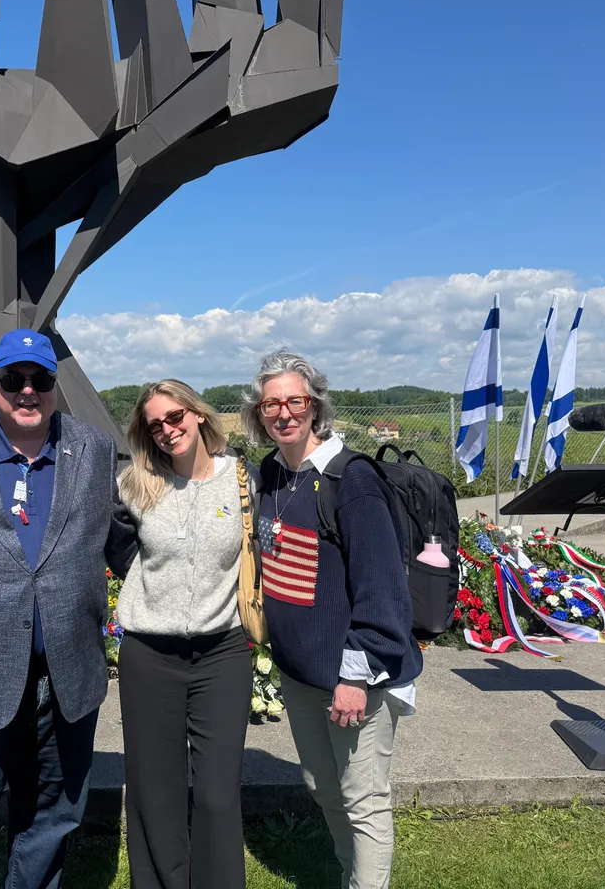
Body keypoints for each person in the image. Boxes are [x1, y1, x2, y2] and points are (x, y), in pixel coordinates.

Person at [0, 329, 137, 889]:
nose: (28, 391)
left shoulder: (92, 451)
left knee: (50, 824)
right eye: (15, 379)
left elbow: (125, 542)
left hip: (65, 682)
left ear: (55, 386)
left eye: (40, 380)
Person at [240, 350, 421, 889]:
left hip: (353, 677)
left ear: (315, 405)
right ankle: (350, 877)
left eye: (294, 400)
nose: (283, 413)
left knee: (363, 797)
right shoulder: (273, 475)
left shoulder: (351, 479)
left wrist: (354, 677)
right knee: (323, 784)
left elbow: (382, 591)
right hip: (300, 673)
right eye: (271, 404)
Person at [114, 380, 255, 889]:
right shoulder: (134, 484)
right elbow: (119, 548)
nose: (168, 430)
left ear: (197, 415)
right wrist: (159, 595)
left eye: (175, 417)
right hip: (151, 655)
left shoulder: (241, 478)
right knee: (156, 790)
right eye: (156, 425)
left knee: (217, 793)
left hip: (222, 652)